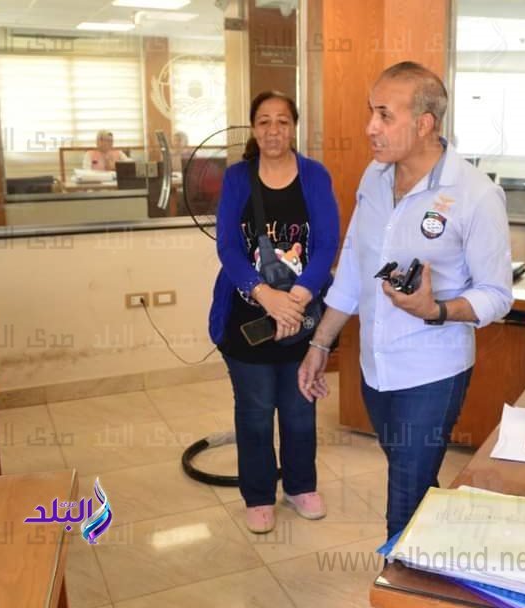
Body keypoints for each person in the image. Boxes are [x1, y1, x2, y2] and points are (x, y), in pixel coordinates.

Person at [297, 61, 513, 539]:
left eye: (384, 115)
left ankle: (400, 571)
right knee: (417, 488)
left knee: (403, 506)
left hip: (431, 373)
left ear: (424, 124)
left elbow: (497, 295)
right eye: (370, 112)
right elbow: (353, 268)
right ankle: (445, 554)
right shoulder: (374, 178)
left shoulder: (476, 194)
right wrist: (320, 343)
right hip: (377, 370)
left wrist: (436, 310)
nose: (369, 127)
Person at [208, 91, 340, 534]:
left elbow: (327, 244)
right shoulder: (237, 178)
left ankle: (300, 486)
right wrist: (265, 294)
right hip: (248, 318)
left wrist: (297, 297)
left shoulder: (314, 175)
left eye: (282, 121)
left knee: (300, 408)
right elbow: (228, 246)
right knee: (255, 411)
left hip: (302, 316)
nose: (273, 130)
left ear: (294, 127)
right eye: (263, 121)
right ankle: (259, 494)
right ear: (253, 128)